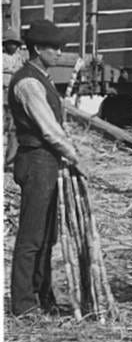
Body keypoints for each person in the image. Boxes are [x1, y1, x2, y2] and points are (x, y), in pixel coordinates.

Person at [8, 20, 84, 316]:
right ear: (38, 49)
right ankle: (24, 305)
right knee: (31, 237)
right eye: (54, 47)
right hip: (37, 159)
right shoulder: (28, 82)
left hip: (48, 161)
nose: (58, 52)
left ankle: (44, 297)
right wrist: (75, 156)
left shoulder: (42, 77)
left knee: (48, 235)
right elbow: (49, 129)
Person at [3, 28, 26, 168]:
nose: (13, 47)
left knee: (13, 129)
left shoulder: (20, 58)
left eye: (15, 44)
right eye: (10, 43)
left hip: (13, 97)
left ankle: (10, 159)